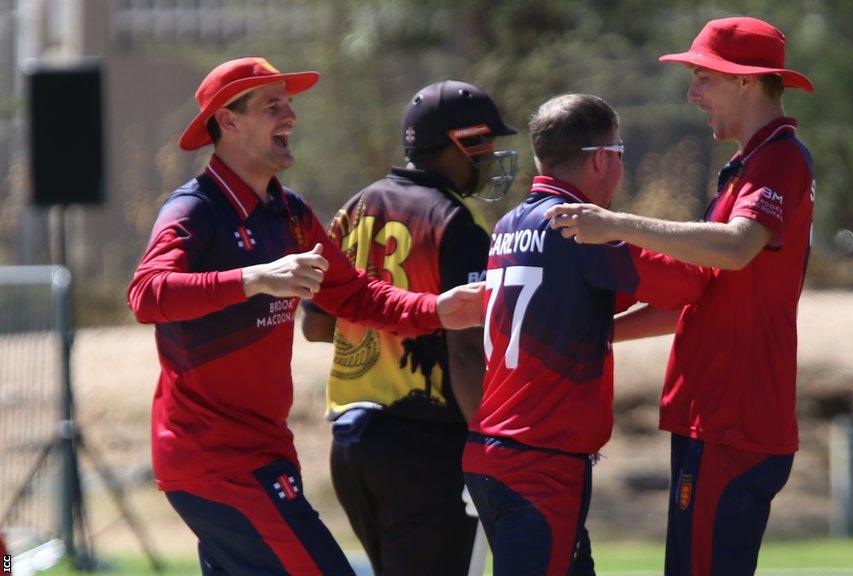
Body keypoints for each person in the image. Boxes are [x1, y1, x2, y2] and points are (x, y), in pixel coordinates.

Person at [127, 57, 482, 576]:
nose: (290, 116)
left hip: (262, 451)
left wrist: (437, 309)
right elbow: (146, 293)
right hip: (217, 459)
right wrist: (256, 278)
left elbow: (354, 296)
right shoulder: (194, 210)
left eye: (289, 103)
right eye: (273, 106)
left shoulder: (290, 212)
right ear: (228, 121)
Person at [546, 17, 815, 576]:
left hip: (733, 417)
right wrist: (600, 333)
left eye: (703, 78)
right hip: (712, 416)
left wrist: (616, 223)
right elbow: (700, 294)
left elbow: (737, 247)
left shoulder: (779, 159)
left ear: (746, 81)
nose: (693, 94)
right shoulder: (746, 167)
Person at [464, 93, 706, 576]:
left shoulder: (510, 223)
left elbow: (607, 302)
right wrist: (626, 226)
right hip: (541, 464)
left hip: (496, 452)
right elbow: (691, 281)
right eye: (619, 154)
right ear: (601, 160)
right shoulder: (580, 227)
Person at [300, 80, 517, 575]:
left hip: (352, 448)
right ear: (459, 143)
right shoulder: (455, 222)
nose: (491, 157)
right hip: (424, 450)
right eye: (485, 144)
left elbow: (314, 327)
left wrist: (377, 334)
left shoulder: (354, 208)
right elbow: (464, 350)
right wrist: (490, 445)